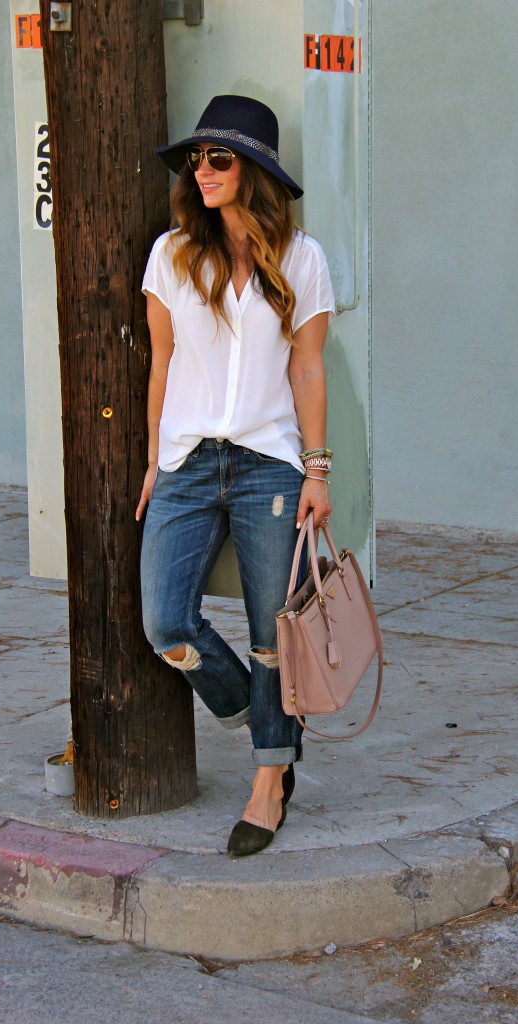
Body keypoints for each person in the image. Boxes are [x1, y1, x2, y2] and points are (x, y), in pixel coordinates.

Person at [135, 95, 335, 857]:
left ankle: (268, 783)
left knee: (269, 633)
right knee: (166, 623)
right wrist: (155, 458)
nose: (204, 170)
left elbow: (309, 368)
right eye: (198, 159)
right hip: (188, 463)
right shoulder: (171, 253)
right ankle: (263, 718)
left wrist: (318, 471)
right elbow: (162, 361)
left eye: (220, 158)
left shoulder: (303, 259)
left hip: (269, 467)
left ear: (254, 171)